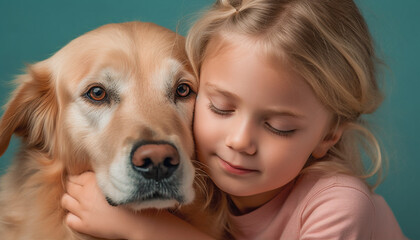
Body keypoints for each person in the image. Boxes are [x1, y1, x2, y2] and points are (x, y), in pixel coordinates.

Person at [61, 0, 407, 239]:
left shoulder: (340, 205)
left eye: (278, 126)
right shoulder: (205, 182)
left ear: (328, 135)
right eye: (221, 108)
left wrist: (146, 230)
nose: (239, 141)